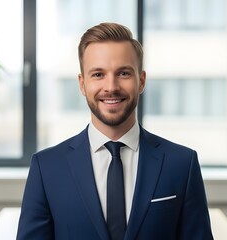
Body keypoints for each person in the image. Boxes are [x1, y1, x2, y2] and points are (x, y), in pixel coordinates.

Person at [17, 22, 213, 240]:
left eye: (123, 73)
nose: (111, 86)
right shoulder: (47, 168)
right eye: (98, 74)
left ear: (141, 81)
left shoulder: (182, 164)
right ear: (82, 84)